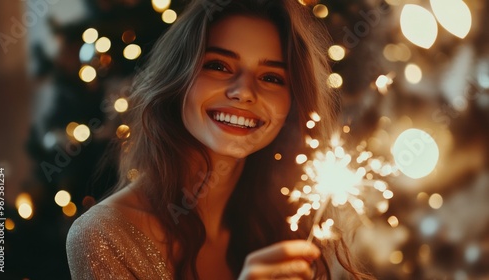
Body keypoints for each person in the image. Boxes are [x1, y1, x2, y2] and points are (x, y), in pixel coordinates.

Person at [66, 0, 373, 279]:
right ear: (178, 80)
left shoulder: (304, 229)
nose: (244, 92)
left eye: (271, 77)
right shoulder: (106, 235)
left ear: (292, 103)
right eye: (218, 66)